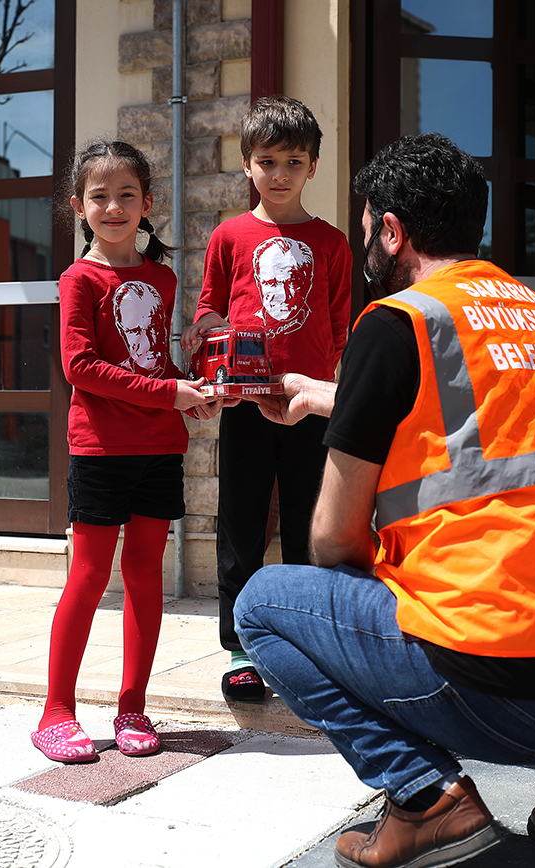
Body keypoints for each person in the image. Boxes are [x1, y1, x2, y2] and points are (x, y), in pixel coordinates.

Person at [237, 133, 535, 868]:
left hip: (506, 689)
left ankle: (424, 800)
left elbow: (335, 543)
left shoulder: (397, 322)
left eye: (369, 225)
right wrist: (332, 401)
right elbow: (485, 427)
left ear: (392, 230)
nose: (367, 241)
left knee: (266, 602)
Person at [31, 139, 217, 764]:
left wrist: (191, 395)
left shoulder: (161, 277)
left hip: (160, 446)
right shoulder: (78, 279)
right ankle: (57, 712)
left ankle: (132, 706)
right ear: (78, 207)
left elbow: (150, 362)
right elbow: (81, 367)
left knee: (145, 576)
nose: (113, 207)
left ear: (148, 204)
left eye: (126, 196)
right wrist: (169, 392)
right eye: (100, 197)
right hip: (101, 448)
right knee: (89, 574)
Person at [179, 95, 352, 702]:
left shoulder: (332, 244)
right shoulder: (229, 236)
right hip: (245, 408)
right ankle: (240, 648)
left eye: (293, 161)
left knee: (311, 526)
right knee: (241, 523)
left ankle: (307, 646)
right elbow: (209, 308)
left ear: (312, 167)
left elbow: (337, 325)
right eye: (267, 160)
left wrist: (320, 385)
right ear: (247, 166)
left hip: (307, 407)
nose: (280, 174)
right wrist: (202, 335)